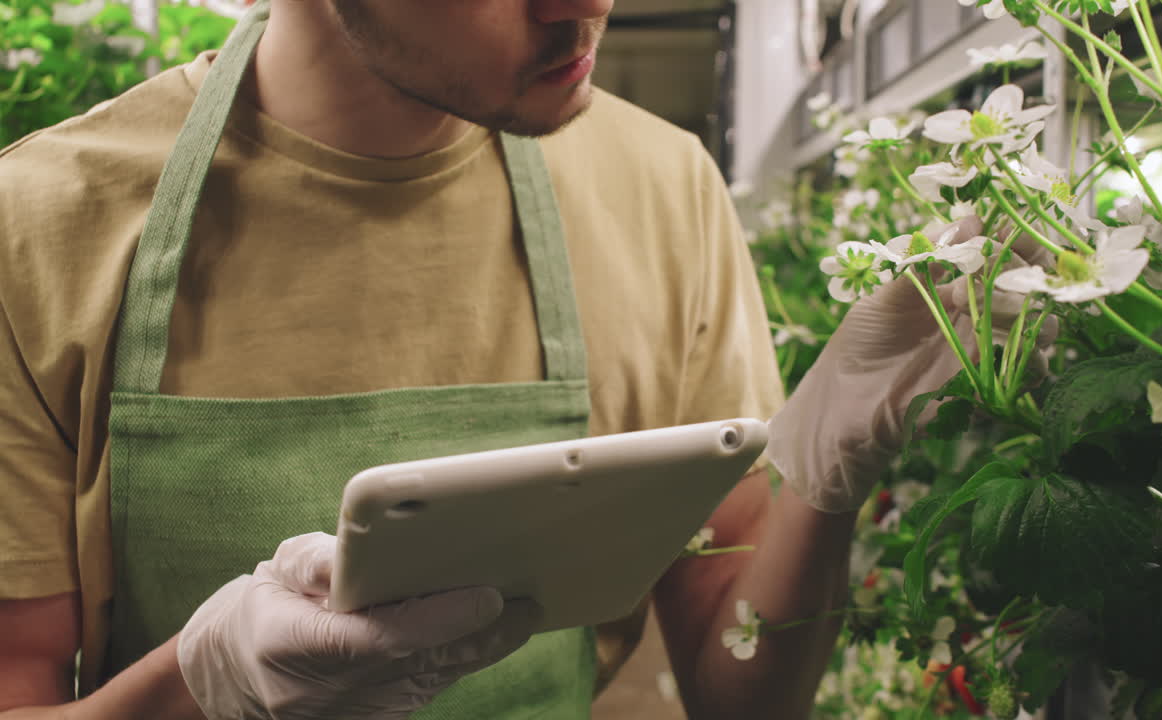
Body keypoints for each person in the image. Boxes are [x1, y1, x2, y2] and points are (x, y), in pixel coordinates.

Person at [0, 1, 988, 718]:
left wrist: (820, 482)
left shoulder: (661, 191)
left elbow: (740, 691)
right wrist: (199, 686)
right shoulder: (44, 226)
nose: (583, 6)